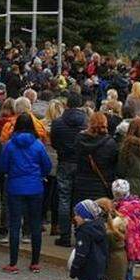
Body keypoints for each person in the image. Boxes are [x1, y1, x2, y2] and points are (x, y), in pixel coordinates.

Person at [0, 113, 51, 274]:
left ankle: (13, 262)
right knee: (35, 224)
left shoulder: (9, 145)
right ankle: (35, 262)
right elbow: (47, 165)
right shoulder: (38, 145)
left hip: (15, 186)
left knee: (15, 225)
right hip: (35, 187)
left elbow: (2, 166)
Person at [51, 94, 88, 246]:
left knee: (64, 199)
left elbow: (54, 142)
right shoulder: (86, 122)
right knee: (79, 199)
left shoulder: (58, 123)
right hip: (80, 163)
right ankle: (79, 234)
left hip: (65, 161)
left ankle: (65, 235)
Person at [112, 179, 140, 280]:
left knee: (121, 275)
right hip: (137, 245)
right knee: (130, 275)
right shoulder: (138, 205)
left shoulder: (121, 210)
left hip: (126, 245)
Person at [73, 112, 117, 206]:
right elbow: (113, 164)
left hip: (82, 183)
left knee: (82, 214)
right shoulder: (111, 143)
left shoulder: (79, 139)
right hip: (101, 185)